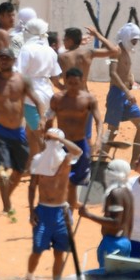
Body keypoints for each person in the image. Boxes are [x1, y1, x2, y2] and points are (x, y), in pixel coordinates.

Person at [18, 130, 83, 280]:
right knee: (37, 250)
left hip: (61, 211)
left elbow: (78, 151)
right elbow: (32, 186)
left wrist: (60, 138)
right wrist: (31, 211)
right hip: (43, 211)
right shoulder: (39, 161)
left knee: (59, 252)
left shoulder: (66, 160)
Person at [0, 47, 41, 213]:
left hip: (17, 131)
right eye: (1, 59)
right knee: (3, 169)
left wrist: (42, 117)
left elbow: (37, 101)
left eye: (7, 59)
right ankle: (7, 205)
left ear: (13, 61)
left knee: (19, 170)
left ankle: (6, 196)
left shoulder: (22, 80)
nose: (4, 61)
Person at [47, 67, 103, 209]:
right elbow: (49, 119)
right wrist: (46, 139)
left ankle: (70, 212)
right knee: (59, 179)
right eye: (69, 83)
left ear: (82, 82)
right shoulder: (57, 99)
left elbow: (99, 120)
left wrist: (98, 140)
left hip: (79, 144)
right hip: (61, 144)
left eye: (76, 83)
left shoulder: (89, 99)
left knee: (74, 182)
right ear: (65, 82)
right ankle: (61, 207)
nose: (72, 86)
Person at [105, 23, 140, 161]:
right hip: (116, 94)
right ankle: (99, 160)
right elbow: (112, 73)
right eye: (133, 40)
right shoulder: (116, 51)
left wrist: (132, 80)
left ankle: (135, 163)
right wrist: (127, 91)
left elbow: (126, 71)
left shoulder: (127, 52)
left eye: (137, 40)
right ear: (126, 37)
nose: (135, 43)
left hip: (126, 95)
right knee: (112, 131)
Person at [16, 18, 60, 157]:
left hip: (31, 97)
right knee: (31, 132)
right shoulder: (50, 51)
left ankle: (49, 165)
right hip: (47, 93)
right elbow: (55, 76)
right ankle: (32, 166)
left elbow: (19, 72)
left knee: (38, 135)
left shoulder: (27, 49)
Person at [79, 159, 133, 267]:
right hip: (125, 241)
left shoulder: (115, 193)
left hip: (113, 244)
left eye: (108, 170)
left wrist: (88, 215)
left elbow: (116, 222)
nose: (105, 173)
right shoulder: (127, 191)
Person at [58, 26, 120, 90]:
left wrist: (64, 89)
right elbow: (114, 50)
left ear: (70, 41)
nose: (63, 42)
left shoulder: (61, 57)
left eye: (64, 40)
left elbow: (54, 79)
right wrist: (97, 34)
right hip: (83, 94)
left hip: (68, 95)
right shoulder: (87, 53)